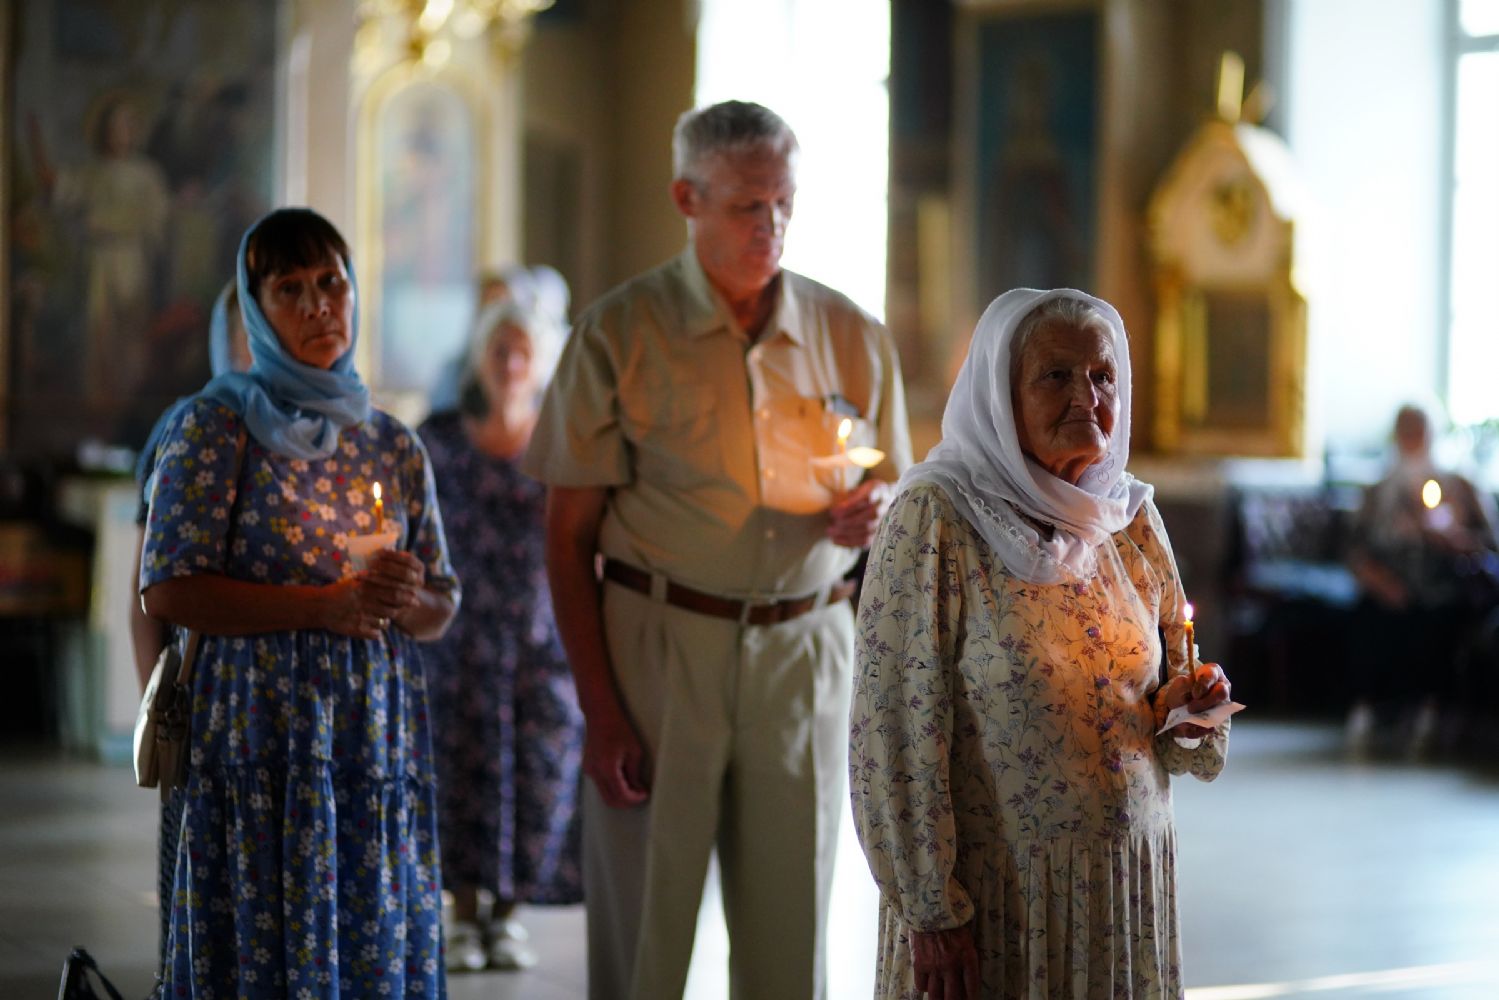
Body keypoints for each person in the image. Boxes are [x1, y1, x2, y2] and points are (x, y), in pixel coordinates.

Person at [524, 100, 913, 999]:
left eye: (784, 204)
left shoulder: (849, 333)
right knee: (645, 932)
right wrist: (600, 711)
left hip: (806, 648)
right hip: (659, 648)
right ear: (686, 199)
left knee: (790, 928)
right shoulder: (617, 332)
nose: (770, 225)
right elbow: (565, 538)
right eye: (746, 206)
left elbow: (899, 495)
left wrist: (877, 512)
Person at [849, 288, 1233, 999]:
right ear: (1000, 393)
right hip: (999, 895)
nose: (1086, 397)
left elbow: (1169, 696)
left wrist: (1190, 708)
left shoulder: (1129, 518)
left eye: (1102, 375)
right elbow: (893, 726)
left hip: (1121, 887)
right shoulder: (935, 517)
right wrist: (930, 908)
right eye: (1055, 375)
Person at [138, 207, 460, 997]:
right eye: (290, 289)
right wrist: (320, 608)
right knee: (258, 944)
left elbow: (441, 605)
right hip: (254, 739)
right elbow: (169, 586)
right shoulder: (214, 430)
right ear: (255, 312)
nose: (319, 305)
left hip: (368, 746)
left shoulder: (393, 443)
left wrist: (403, 596)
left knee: (366, 936)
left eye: (331, 283)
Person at [419, 299, 584, 973]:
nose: (512, 363)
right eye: (499, 351)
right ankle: (461, 914)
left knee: (539, 780)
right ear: (478, 360)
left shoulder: (563, 442)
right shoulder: (437, 439)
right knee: (456, 780)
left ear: (542, 364)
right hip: (454, 646)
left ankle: (507, 915)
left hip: (538, 645)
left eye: (523, 352)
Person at [128, 278, 253, 973]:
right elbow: (147, 592)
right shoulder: (190, 426)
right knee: (198, 914)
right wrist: (161, 712)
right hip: (207, 704)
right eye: (250, 333)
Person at [1345, 403, 1499, 755]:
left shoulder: (1461, 485)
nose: (1413, 439)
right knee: (1370, 619)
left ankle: (1429, 712)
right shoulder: (1379, 491)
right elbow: (1355, 549)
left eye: (1420, 431)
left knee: (1434, 622)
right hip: (1388, 584)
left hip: (1443, 586)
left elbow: (1489, 545)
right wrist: (1379, 580)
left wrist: (1454, 536)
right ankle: (1372, 709)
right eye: (1406, 431)